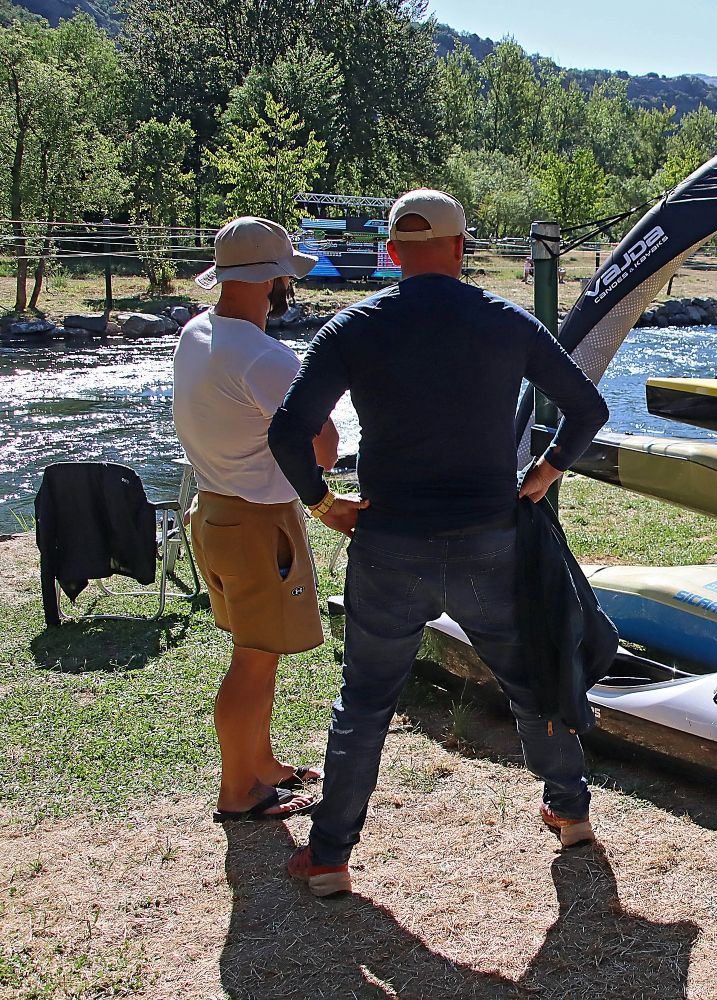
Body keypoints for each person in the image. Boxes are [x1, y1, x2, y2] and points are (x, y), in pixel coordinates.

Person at [268, 189, 610, 897]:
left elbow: (286, 431)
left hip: (389, 540)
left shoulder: (353, 328)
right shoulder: (505, 322)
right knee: (529, 680)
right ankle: (569, 811)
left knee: (364, 700)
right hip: (491, 536)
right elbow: (588, 407)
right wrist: (544, 472)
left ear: (392, 252)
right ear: (462, 248)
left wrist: (324, 503)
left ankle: (329, 853)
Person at [172, 217, 340, 822]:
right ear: (271, 279)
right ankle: (239, 790)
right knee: (253, 658)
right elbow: (324, 446)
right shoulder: (264, 356)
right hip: (257, 522)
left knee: (253, 651)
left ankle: (260, 764)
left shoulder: (197, 332)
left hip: (216, 511)